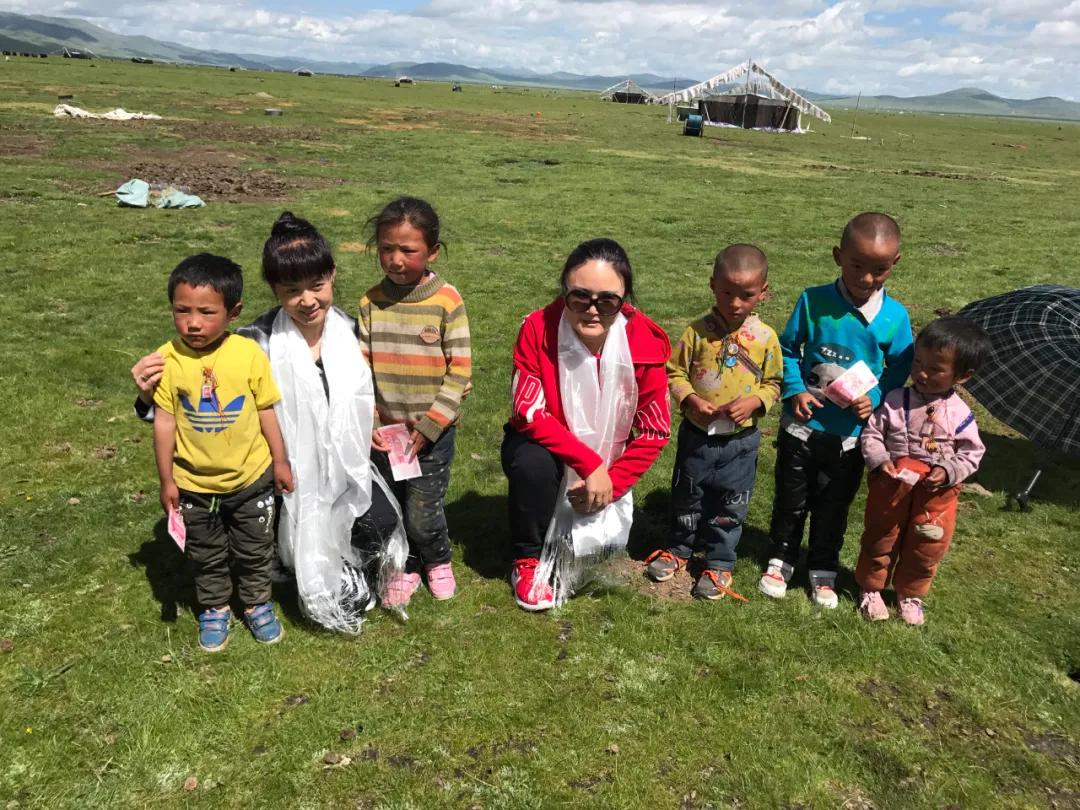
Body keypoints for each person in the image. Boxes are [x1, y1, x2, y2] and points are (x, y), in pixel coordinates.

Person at [132, 213, 406, 633]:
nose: (307, 301)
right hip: (278, 471)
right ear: (275, 290)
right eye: (291, 291)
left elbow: (365, 395)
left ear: (332, 276)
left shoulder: (351, 332)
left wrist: (371, 424)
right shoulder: (254, 341)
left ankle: (341, 562)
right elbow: (196, 401)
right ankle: (283, 564)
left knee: (380, 520)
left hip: (342, 460)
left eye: (317, 286)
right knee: (275, 529)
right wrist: (149, 395)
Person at [503, 238, 671, 611]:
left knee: (596, 549)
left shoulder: (644, 341)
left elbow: (655, 429)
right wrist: (589, 463)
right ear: (564, 291)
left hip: (609, 465)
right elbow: (527, 410)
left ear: (624, 299)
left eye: (608, 300)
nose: (593, 310)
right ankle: (528, 559)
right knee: (529, 462)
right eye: (579, 297)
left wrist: (612, 482)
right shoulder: (537, 327)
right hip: (551, 447)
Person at [760, 212, 914, 608]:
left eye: (878, 270)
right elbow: (788, 348)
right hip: (802, 427)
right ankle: (781, 557)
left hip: (849, 435)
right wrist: (795, 390)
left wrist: (876, 398)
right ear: (837, 257)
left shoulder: (895, 318)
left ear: (894, 264)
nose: (866, 279)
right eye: (856, 266)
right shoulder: (813, 301)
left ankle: (823, 566)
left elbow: (899, 368)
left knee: (833, 504)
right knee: (791, 498)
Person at [151, 254, 293, 652]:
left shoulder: (248, 355)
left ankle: (255, 602)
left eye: (206, 312)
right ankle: (213, 607)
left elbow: (266, 411)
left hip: (251, 479)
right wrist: (167, 480)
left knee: (254, 548)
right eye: (182, 310)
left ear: (233, 313)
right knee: (206, 553)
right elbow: (164, 423)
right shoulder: (169, 360)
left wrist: (280, 462)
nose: (193, 322)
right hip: (193, 484)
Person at [647, 244, 782, 600]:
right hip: (697, 435)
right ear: (712, 285)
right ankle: (678, 549)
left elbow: (775, 383)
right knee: (687, 496)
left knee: (731, 503)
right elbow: (674, 372)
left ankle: (720, 563)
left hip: (741, 441)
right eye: (726, 292)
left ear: (763, 293)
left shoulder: (766, 339)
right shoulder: (695, 333)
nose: (735, 303)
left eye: (746, 295)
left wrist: (754, 401)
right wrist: (690, 399)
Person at [360, 197, 471, 607]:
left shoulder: (447, 302)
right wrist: (371, 419)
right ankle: (404, 566)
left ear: (432, 252)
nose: (396, 258)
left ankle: (437, 559)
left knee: (424, 508)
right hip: (387, 435)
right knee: (392, 507)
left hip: (432, 435)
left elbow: (459, 371)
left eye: (408, 250)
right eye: (387, 248)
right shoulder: (370, 304)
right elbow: (361, 371)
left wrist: (429, 426)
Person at [854, 317, 990, 625]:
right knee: (881, 535)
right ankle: (871, 588)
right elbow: (873, 433)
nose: (922, 373)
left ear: (963, 376)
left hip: (935, 495)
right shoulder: (893, 401)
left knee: (927, 544)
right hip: (892, 485)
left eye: (935, 369)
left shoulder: (959, 415)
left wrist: (948, 469)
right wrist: (880, 459)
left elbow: (972, 452)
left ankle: (910, 593)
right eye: (918, 362)